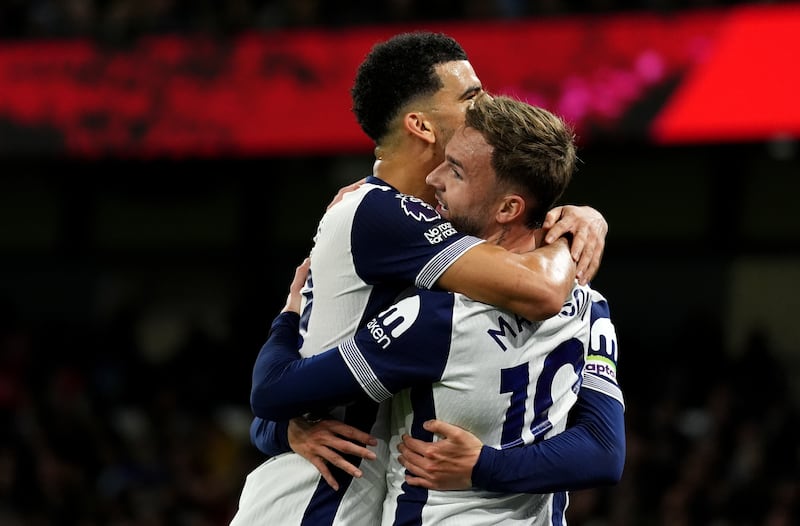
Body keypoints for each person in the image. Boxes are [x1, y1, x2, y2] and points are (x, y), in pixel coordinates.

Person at [229, 32, 608, 526]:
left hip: (349, 493)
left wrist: (280, 428)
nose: (487, 104)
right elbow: (541, 289)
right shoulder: (380, 214)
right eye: (471, 96)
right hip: (312, 503)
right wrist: (574, 230)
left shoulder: (410, 215)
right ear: (421, 125)